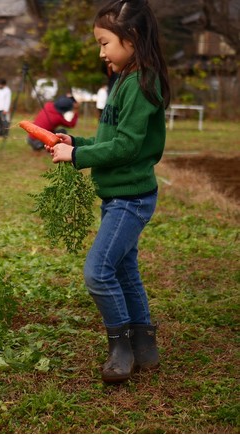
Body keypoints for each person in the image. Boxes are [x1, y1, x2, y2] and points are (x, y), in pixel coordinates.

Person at [47, 0, 170, 384]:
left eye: (105, 43)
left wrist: (77, 155)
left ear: (131, 39)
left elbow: (129, 147)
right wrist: (77, 140)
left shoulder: (140, 83)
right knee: (124, 269)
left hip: (130, 199)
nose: (101, 52)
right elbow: (112, 139)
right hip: (119, 194)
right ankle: (145, 345)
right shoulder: (123, 81)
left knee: (99, 272)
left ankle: (121, 346)